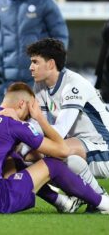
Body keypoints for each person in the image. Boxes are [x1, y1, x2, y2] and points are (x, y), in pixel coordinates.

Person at [0, 82, 109, 214]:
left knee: (14, 159)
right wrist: (40, 119)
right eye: (29, 113)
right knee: (53, 164)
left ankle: (63, 203)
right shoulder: (15, 125)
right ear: (22, 104)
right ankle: (103, 203)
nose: (29, 117)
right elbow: (62, 150)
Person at [26, 38, 109, 203]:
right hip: (81, 146)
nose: (31, 67)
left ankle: (94, 196)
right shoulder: (40, 85)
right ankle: (89, 196)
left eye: (35, 62)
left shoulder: (73, 85)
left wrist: (36, 126)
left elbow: (59, 130)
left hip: (104, 147)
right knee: (34, 156)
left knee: (53, 152)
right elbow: (36, 128)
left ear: (50, 64)